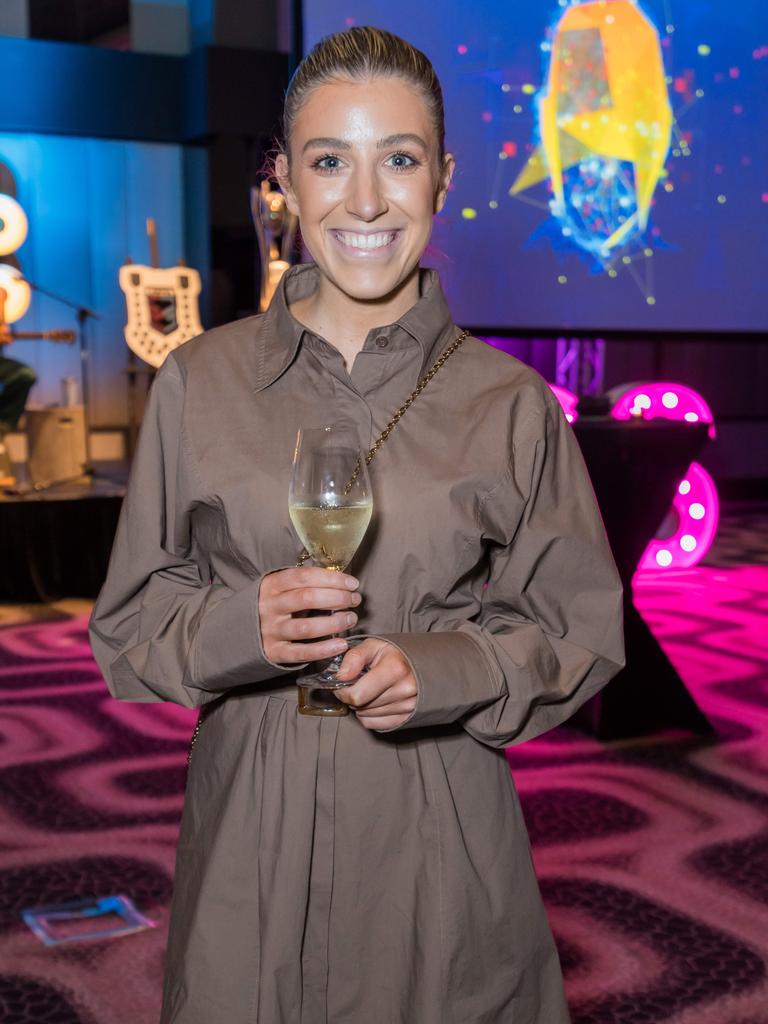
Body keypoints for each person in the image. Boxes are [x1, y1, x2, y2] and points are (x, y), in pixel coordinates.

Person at [88, 26, 625, 1024]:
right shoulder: (200, 383)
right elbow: (126, 629)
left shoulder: (509, 404)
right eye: (331, 160)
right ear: (284, 176)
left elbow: (579, 629)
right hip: (252, 845)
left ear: (444, 177)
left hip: (442, 854)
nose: (367, 200)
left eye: (401, 160)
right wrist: (242, 628)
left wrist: (450, 666)